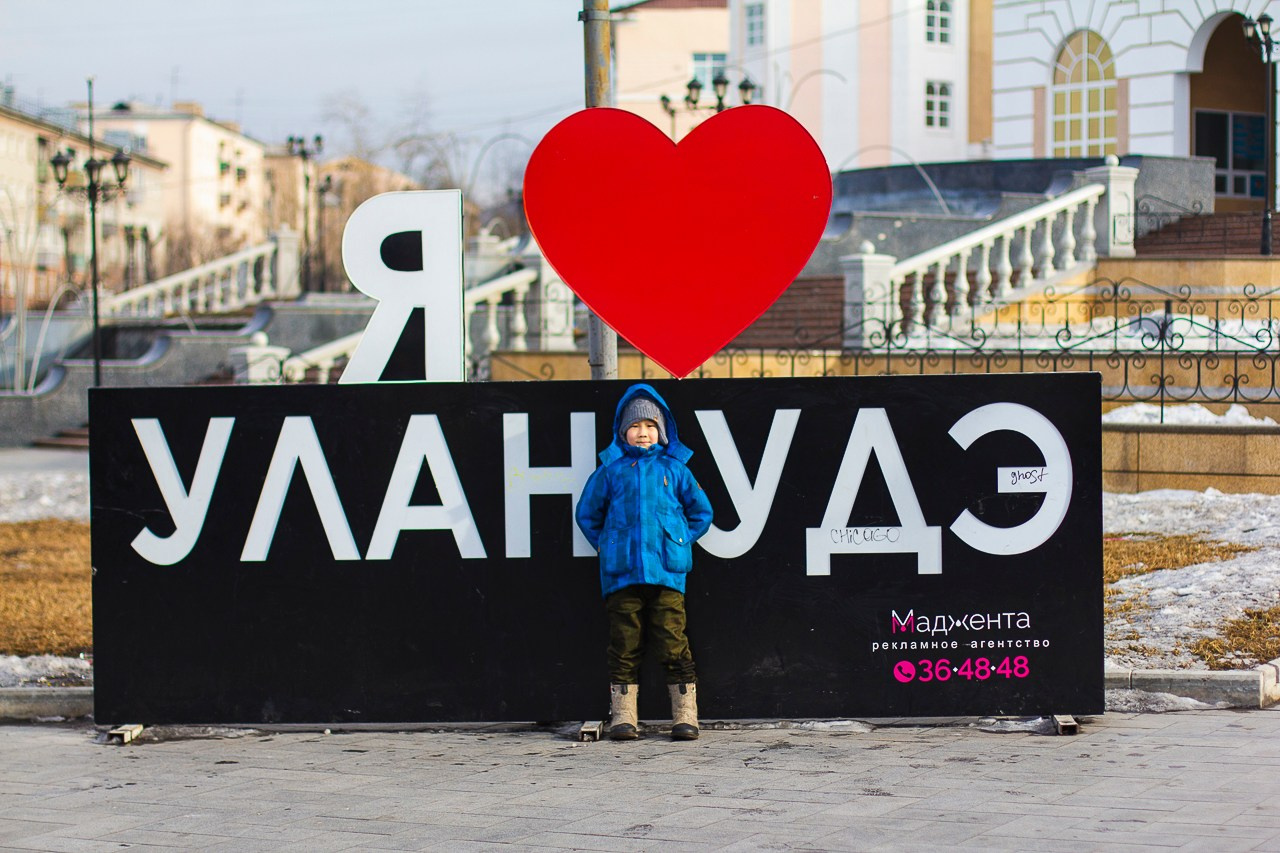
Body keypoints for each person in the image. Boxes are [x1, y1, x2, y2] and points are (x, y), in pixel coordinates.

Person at [576, 383, 714, 741]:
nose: (643, 432)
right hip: (622, 575)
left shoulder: (675, 469)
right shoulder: (611, 471)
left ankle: (685, 716)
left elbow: (701, 512)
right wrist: (608, 546)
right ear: (623, 431)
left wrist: (678, 541)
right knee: (624, 643)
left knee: (673, 640)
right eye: (635, 426)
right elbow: (587, 514)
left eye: (650, 426)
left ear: (662, 430)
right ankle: (624, 717)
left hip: (667, 574)